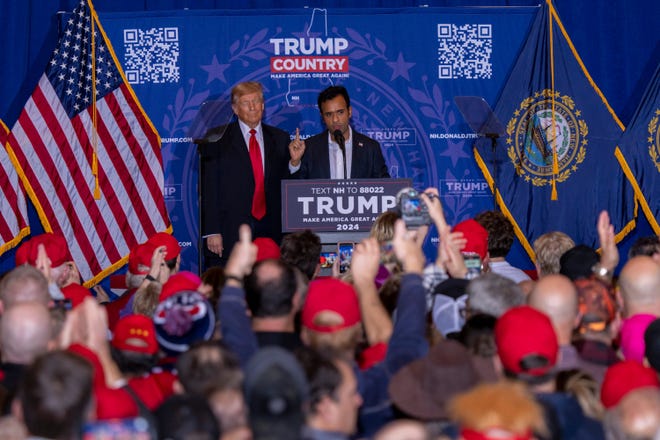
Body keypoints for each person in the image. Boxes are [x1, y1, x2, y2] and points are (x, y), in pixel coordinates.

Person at [200, 81, 292, 269]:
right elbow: (209, 187)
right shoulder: (216, 138)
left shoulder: (280, 138)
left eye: (256, 101)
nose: (252, 107)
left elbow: (286, 185)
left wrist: (295, 163)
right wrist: (212, 231)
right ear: (235, 108)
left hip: (270, 232)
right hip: (229, 232)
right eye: (245, 102)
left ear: (263, 105)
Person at [288, 85, 390, 179]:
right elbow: (295, 192)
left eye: (340, 112)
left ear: (349, 112)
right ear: (322, 117)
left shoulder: (370, 148)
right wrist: (295, 163)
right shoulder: (309, 148)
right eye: (329, 114)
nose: (335, 119)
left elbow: (384, 189)